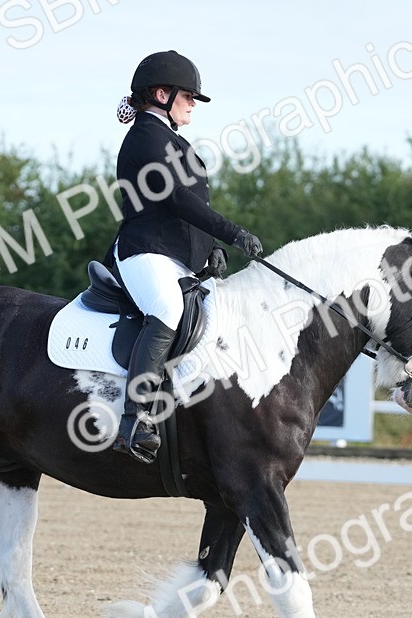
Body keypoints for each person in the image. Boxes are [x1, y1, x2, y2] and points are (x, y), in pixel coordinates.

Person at [109, 50, 264, 464]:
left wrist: (210, 249)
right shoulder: (145, 136)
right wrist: (230, 233)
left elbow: (194, 200)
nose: (193, 103)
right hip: (144, 252)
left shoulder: (172, 138)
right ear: (162, 94)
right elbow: (175, 199)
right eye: (188, 96)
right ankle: (135, 418)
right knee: (167, 308)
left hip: (175, 255)